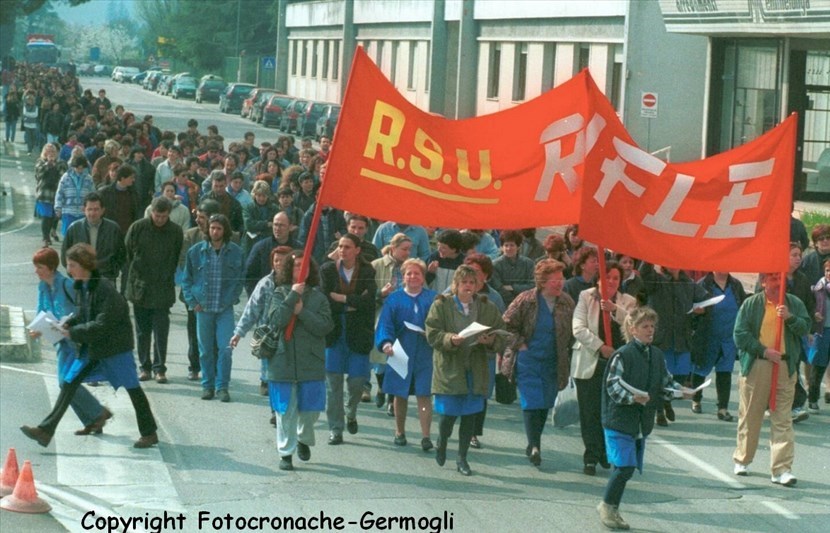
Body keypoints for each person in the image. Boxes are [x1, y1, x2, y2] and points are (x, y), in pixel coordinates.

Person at [20, 244, 159, 449]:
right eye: (69, 265)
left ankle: (149, 433)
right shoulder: (81, 286)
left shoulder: (104, 288)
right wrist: (69, 323)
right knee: (68, 383)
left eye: (72, 265)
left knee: (133, 388)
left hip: (114, 348)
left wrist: (72, 332)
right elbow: (82, 314)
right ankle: (46, 431)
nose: (69, 270)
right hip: (93, 346)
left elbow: (102, 323)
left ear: (85, 265)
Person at [598, 307, 692, 530]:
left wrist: (682, 391)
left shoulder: (657, 355)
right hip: (618, 420)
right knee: (625, 467)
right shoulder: (622, 355)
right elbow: (612, 386)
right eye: (645, 326)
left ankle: (612, 507)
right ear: (632, 329)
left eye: (652, 326)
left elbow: (665, 383)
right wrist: (632, 398)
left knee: (624, 468)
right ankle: (607, 507)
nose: (650, 330)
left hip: (640, 422)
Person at [426, 265, 507, 476]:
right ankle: (442, 441)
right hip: (451, 367)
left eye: (473, 283)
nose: (469, 287)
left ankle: (462, 458)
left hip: (476, 368)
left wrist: (490, 341)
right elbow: (432, 333)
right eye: (465, 283)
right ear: (456, 285)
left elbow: (502, 333)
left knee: (470, 416)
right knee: (448, 415)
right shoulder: (441, 305)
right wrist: (450, 339)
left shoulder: (486, 306)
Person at [732, 272, 809, 486]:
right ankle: (743, 459)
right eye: (773, 278)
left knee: (783, 418)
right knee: (751, 415)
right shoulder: (751, 304)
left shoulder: (793, 303)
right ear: (763, 281)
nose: (777, 283)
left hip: (785, 366)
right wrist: (764, 351)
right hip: (759, 364)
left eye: (780, 278)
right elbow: (739, 334)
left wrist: (790, 318)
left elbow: (806, 327)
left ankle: (781, 469)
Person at [502, 259, 575, 467]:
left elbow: (572, 331)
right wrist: (520, 344)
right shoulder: (526, 300)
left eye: (561, 279)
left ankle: (534, 440)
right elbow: (506, 325)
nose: (559, 284)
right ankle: (535, 445)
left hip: (553, 361)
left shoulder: (567, 302)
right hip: (528, 360)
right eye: (555, 280)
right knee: (531, 401)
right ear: (542, 281)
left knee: (545, 403)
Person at [30, 248, 109, 436]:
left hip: (75, 342)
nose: (36, 271)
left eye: (40, 267)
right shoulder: (42, 287)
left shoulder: (67, 285)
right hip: (59, 342)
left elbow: (82, 310)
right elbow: (41, 312)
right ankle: (95, 418)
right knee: (65, 383)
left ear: (50, 268)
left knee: (67, 382)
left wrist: (67, 323)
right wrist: (37, 329)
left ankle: (97, 414)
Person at [266, 252, 333, 471]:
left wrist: (302, 312)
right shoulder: (279, 293)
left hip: (311, 362)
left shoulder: (319, 297)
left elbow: (325, 326)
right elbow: (276, 320)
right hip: (283, 362)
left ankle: (304, 438)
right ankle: (286, 453)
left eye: (303, 266)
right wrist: (292, 297)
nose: (299, 270)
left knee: (310, 411)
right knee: (285, 411)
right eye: (295, 266)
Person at [571, 261, 636, 475]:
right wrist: (600, 347)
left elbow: (634, 325)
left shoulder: (628, 301)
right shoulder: (585, 296)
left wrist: (614, 310)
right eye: (607, 277)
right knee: (589, 412)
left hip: (617, 366)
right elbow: (578, 328)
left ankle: (607, 453)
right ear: (599, 278)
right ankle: (591, 455)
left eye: (616, 278)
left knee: (610, 412)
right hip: (592, 362)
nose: (611, 282)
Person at [320, 234, 377, 445]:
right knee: (333, 385)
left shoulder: (368, 271)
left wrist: (342, 298)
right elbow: (325, 299)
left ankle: (351, 411)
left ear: (357, 250)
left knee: (356, 383)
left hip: (358, 334)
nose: (343, 250)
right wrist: (353, 303)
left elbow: (369, 302)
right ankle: (336, 428)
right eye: (340, 246)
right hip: (335, 333)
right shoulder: (327, 270)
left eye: (347, 247)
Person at [375, 259, 437, 450]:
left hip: (425, 352)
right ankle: (399, 431)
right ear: (403, 277)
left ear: (423, 276)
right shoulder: (394, 299)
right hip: (400, 351)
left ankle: (426, 436)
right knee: (399, 394)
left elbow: (441, 322)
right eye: (409, 273)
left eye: (417, 273)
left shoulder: (433, 298)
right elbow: (385, 324)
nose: (413, 277)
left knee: (423, 395)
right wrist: (386, 343)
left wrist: (433, 334)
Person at [182, 214, 244, 402]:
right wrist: (193, 302)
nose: (215, 231)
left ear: (225, 231)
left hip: (224, 308)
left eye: (219, 228)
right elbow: (186, 280)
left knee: (226, 348)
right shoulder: (196, 252)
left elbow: (240, 278)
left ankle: (222, 386)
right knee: (205, 350)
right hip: (204, 308)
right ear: (207, 229)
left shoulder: (235, 252)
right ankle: (207, 385)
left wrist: (232, 298)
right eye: (212, 228)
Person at [640, 262, 710, 426]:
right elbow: (644, 271)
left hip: (681, 338)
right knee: (659, 376)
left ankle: (666, 401)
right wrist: (652, 252)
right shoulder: (656, 281)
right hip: (661, 339)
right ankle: (659, 411)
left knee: (681, 375)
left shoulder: (689, 284)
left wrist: (701, 309)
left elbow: (706, 299)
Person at [124, 196, 183, 383]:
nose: (160, 220)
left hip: (162, 287)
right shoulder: (138, 228)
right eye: (157, 215)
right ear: (151, 212)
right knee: (142, 331)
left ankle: (160, 369)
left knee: (161, 330)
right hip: (140, 286)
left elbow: (175, 256)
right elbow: (127, 253)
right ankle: (144, 367)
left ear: (169, 215)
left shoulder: (175, 231)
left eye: (163, 216)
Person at [231, 246, 293, 399]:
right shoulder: (265, 283)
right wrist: (239, 333)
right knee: (271, 375)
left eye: (283, 261)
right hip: (269, 337)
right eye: (276, 260)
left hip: (292, 335)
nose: (279, 264)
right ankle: (274, 408)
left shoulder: (297, 284)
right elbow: (252, 309)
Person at [689, 272, 748, 421]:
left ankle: (723, 408)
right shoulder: (703, 284)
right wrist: (698, 313)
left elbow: (742, 307)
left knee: (725, 372)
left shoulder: (735, 285)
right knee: (701, 370)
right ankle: (696, 399)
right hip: (708, 336)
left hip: (728, 338)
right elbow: (693, 309)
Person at [462, 253, 505, 449]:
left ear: (486, 276)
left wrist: (492, 339)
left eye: (477, 273)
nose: (473, 277)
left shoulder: (494, 297)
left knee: (480, 393)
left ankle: (473, 433)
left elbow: (502, 325)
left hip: (484, 353)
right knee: (459, 390)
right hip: (459, 352)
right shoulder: (455, 291)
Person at [369, 233, 413, 411]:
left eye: (409, 249)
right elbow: (366, 295)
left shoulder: (411, 266)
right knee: (381, 360)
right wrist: (381, 294)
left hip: (404, 317)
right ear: (393, 248)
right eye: (404, 249)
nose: (407, 253)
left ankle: (391, 399)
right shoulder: (377, 265)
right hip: (382, 316)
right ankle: (381, 387)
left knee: (398, 358)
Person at [61, 192, 125, 283]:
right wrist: (74, 273)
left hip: (106, 278)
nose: (92, 213)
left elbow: (121, 254)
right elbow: (65, 254)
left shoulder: (113, 229)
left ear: (102, 210)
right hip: (81, 278)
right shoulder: (74, 228)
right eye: (89, 209)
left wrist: (113, 271)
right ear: (84, 210)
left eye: (96, 209)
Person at [245, 211, 297, 295]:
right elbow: (249, 276)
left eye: (281, 225)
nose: (277, 228)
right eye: (275, 224)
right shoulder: (260, 247)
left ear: (290, 227)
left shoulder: (299, 248)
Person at [491, 230, 535, 307]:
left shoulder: (528, 263)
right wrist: (514, 303)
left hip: (526, 303)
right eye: (506, 245)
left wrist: (512, 287)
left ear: (518, 247)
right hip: (503, 304)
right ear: (501, 247)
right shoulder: (495, 265)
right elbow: (498, 288)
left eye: (512, 245)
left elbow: (533, 285)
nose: (509, 248)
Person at [34, 143, 67, 246]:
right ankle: (45, 237)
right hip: (44, 194)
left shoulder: (61, 163)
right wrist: (47, 164)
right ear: (44, 152)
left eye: (53, 151)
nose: (51, 153)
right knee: (46, 216)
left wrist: (55, 165)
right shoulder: (40, 162)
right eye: (48, 151)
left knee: (54, 216)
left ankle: (50, 232)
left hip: (57, 193)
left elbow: (63, 176)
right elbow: (38, 175)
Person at [55, 154, 95, 235]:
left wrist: (92, 209)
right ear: (73, 166)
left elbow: (93, 194)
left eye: (82, 168)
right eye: (77, 168)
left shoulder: (89, 178)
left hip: (83, 212)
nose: (79, 170)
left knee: (82, 236)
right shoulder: (65, 177)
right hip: (68, 211)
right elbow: (60, 193)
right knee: (68, 234)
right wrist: (58, 207)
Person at [809, 259, 830, 413]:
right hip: (822, 332)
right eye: (828, 270)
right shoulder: (817, 288)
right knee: (818, 366)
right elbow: (809, 306)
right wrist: (813, 314)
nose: (829, 273)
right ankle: (813, 399)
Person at [242, 180, 279, 257]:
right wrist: (266, 224)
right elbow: (249, 225)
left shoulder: (274, 208)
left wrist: (258, 227)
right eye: (259, 195)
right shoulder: (248, 208)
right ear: (254, 195)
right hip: (251, 243)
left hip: (268, 242)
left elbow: (274, 226)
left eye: (264, 196)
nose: (261, 199)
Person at [426, 229, 465, 294]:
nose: (439, 249)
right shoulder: (433, 258)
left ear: (454, 249)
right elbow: (424, 283)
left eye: (443, 248)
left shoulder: (464, 262)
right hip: (434, 298)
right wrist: (430, 273)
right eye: (438, 245)